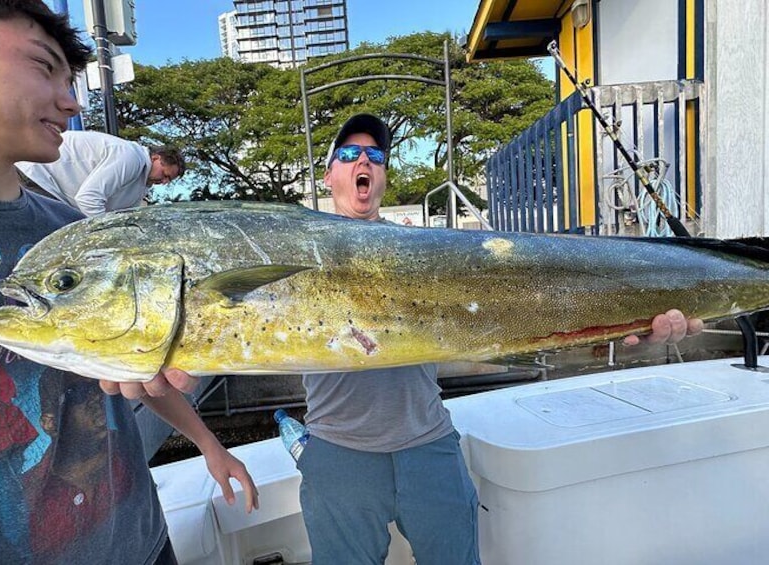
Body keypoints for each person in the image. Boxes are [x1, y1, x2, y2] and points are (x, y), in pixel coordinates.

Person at [0, 2, 256, 564]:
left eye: (70, 79)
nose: (72, 101)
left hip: (143, 545)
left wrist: (207, 444)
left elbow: (136, 374)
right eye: (42, 65)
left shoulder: (76, 235)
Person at [297, 113, 704, 565]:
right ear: (330, 172)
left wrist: (632, 318)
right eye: (350, 154)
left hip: (427, 446)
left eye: (375, 155)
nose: (364, 162)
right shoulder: (297, 253)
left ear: (383, 175)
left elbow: (532, 302)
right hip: (337, 455)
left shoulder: (424, 251)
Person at [16, 130, 185, 215]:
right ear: (156, 158)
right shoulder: (130, 157)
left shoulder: (141, 184)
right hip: (35, 174)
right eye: (165, 174)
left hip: (48, 185)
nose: (164, 182)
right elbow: (88, 199)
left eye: (168, 180)